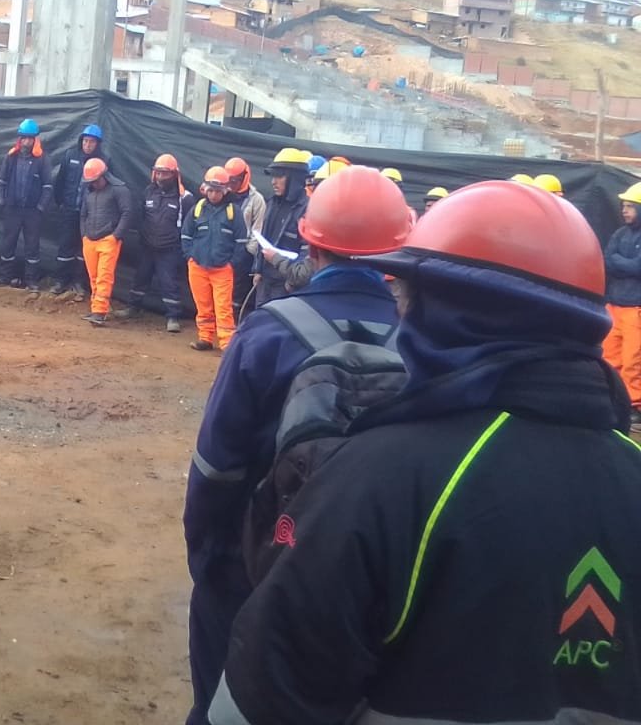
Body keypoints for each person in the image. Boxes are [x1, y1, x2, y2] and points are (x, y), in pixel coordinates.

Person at [210, 181, 641, 725]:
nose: (402, 307)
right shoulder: (632, 470)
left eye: (410, 292)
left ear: (447, 310)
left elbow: (265, 696)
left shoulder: (383, 477)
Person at [183, 165, 410, 725]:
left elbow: (216, 467)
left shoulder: (268, 331)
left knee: (222, 696)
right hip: (369, 576)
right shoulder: (422, 344)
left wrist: (211, 558)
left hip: (255, 560)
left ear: (310, 239)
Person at [120, 153, 193, 331]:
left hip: (170, 249)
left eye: (164, 173)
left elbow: (189, 226)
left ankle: (173, 317)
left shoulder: (185, 198)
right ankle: (133, 307)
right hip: (147, 245)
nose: (160, 177)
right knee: (140, 278)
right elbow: (142, 217)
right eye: (158, 173)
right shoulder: (148, 192)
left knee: (169, 283)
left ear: (174, 175)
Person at [183, 166, 247, 352]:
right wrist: (190, 257)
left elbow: (241, 241)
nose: (213, 194)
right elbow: (186, 235)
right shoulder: (198, 209)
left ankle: (227, 343)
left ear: (225, 190)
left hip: (222, 269)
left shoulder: (233, 212)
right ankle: (205, 338)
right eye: (210, 190)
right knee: (203, 305)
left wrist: (231, 264)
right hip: (198, 266)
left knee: (223, 307)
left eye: (217, 190)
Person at [0, 118, 53, 292]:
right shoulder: (11, 157)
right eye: (24, 138)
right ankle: (4, 277)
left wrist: (40, 207)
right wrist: (2, 201)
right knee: (8, 243)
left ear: (35, 139)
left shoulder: (42, 160)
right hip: (13, 209)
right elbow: (2, 181)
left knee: (32, 246)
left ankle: (32, 280)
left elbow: (48, 186)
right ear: (20, 138)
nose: (27, 141)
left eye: (30, 138)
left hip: (32, 212)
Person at [52, 124, 108, 297]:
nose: (87, 145)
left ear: (97, 144)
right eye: (85, 141)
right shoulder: (70, 156)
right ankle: (61, 281)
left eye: (91, 142)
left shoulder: (103, 162)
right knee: (65, 247)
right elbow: (60, 181)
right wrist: (60, 202)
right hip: (69, 209)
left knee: (85, 250)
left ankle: (79, 283)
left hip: (89, 214)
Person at [253, 147, 312, 307]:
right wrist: (258, 269)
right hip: (265, 282)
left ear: (295, 178)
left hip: (287, 287)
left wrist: (292, 283)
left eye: (279, 176)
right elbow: (263, 239)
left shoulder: (308, 210)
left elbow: (309, 257)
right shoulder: (272, 204)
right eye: (273, 176)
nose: (273, 181)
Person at [604, 182, 641, 420]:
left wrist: (621, 263)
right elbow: (607, 259)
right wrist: (625, 265)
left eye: (630, 206)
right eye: (624, 206)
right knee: (610, 355)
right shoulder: (620, 233)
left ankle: (634, 405)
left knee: (633, 358)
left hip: (636, 308)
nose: (624, 210)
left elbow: (638, 267)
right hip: (615, 305)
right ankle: (613, 397)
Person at [79, 158, 132, 326]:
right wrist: (84, 235)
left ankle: (100, 312)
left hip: (108, 239)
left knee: (104, 276)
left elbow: (127, 213)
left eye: (95, 180)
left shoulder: (119, 190)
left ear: (104, 176)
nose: (93, 184)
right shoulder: (89, 191)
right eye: (91, 181)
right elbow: (83, 214)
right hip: (90, 240)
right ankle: (98, 308)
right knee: (94, 276)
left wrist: (116, 236)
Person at [225, 157, 265, 321]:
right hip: (223, 249)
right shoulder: (222, 194)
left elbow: (258, 229)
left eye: (234, 180)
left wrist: (247, 251)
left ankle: (233, 320)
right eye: (229, 179)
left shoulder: (257, 200)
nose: (231, 183)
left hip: (243, 253)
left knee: (238, 288)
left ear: (244, 177)